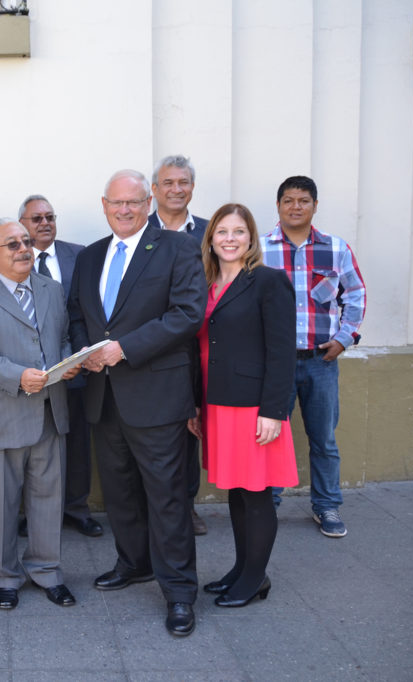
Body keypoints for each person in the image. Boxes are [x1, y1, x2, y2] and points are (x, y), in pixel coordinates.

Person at [68, 170, 207, 636]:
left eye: (133, 202)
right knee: (120, 491)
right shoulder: (89, 257)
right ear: (103, 204)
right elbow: (77, 316)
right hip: (103, 398)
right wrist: (84, 352)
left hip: (157, 396)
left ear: (148, 203)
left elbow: (187, 313)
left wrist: (125, 348)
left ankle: (180, 592)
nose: (124, 210)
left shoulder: (177, 247)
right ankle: (134, 563)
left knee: (167, 498)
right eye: (116, 203)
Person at [0, 218, 81, 611]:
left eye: (25, 241)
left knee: (47, 499)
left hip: (48, 413)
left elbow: (60, 338)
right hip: (1, 415)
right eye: (12, 244)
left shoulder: (51, 289)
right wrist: (18, 377)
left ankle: (47, 571)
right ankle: (7, 575)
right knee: (2, 504)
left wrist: (66, 362)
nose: (23, 248)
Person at [186, 204, 297, 607]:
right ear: (211, 238)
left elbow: (282, 351)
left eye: (238, 231)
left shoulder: (268, 282)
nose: (229, 239)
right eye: (222, 231)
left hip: (253, 407)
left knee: (258, 493)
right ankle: (240, 568)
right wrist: (196, 405)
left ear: (251, 238)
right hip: (216, 403)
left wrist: (274, 411)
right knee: (236, 489)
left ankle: (255, 579)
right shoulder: (206, 283)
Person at [261, 176, 366, 538]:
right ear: (278, 206)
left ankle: (327, 506)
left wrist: (344, 338)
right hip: (275, 364)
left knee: (323, 438)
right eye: (288, 200)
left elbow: (354, 294)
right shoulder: (259, 250)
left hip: (321, 361)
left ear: (315, 206)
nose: (295, 207)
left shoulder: (335, 248)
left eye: (303, 200)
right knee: (270, 437)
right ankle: (267, 506)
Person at [19, 194, 101, 538]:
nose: (44, 223)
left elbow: (87, 306)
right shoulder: (13, 255)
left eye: (50, 217)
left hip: (76, 365)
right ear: (22, 224)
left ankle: (76, 507)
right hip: (31, 371)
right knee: (32, 442)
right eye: (36, 218)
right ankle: (31, 511)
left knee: (77, 440)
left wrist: (81, 354)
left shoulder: (78, 255)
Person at [147, 156, 210, 535]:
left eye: (183, 182)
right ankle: (152, 509)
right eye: (167, 182)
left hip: (198, 345)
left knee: (190, 428)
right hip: (151, 345)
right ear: (154, 190)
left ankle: (186, 506)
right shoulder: (138, 227)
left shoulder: (209, 231)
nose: (175, 189)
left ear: (191, 187)